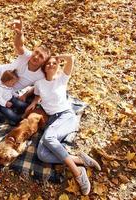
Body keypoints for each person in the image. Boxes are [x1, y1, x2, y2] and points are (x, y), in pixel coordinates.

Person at [26, 55, 101, 195]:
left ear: (58, 66)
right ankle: (80, 160)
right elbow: (37, 95)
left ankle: (78, 173)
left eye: (55, 63)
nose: (52, 65)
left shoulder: (62, 79)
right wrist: (33, 102)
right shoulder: (39, 83)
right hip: (52, 121)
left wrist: (59, 57)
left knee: (48, 139)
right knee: (42, 154)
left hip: (66, 116)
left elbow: (71, 59)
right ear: (44, 67)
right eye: (48, 63)